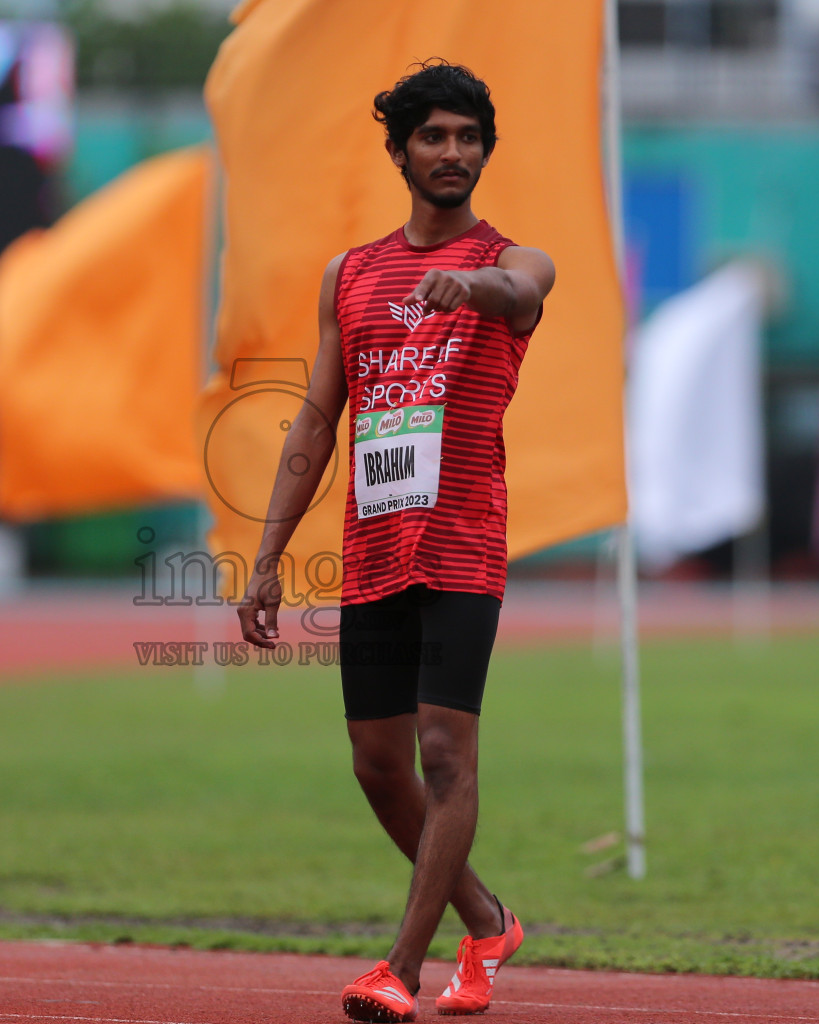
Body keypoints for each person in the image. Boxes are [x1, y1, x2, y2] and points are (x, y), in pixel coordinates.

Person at [236, 60, 555, 1022]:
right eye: (434, 136)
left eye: (468, 138)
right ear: (401, 151)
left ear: (485, 152)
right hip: (374, 549)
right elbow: (315, 422)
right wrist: (266, 557)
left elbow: (520, 288)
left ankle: (400, 972)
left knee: (445, 754)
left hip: (462, 544)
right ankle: (490, 920)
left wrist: (476, 284)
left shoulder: (515, 260)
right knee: (379, 765)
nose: (452, 152)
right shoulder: (354, 274)